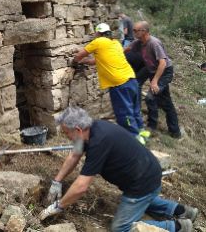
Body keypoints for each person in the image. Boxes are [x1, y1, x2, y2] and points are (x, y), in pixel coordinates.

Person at [40, 106, 198, 232]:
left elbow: (81, 186)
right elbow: (74, 155)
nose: (66, 136)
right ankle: (182, 211)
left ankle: (177, 227)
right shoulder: (93, 129)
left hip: (142, 183)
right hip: (146, 175)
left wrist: (58, 206)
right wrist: (57, 181)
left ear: (78, 130)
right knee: (143, 200)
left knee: (120, 228)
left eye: (66, 132)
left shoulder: (98, 141)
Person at [73, 23, 148, 144]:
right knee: (134, 109)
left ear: (98, 33)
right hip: (131, 79)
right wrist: (85, 61)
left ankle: (134, 140)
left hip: (119, 84)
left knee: (124, 113)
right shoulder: (115, 43)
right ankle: (142, 133)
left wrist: (75, 61)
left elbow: (80, 55)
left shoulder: (98, 42)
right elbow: (95, 61)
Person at [129, 21, 182, 138]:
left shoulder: (154, 43)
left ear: (144, 32)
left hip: (164, 72)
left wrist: (154, 81)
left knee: (150, 97)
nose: (133, 32)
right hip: (152, 70)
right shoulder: (138, 43)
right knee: (166, 102)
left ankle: (152, 126)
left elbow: (162, 63)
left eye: (135, 30)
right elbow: (126, 49)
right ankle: (175, 132)